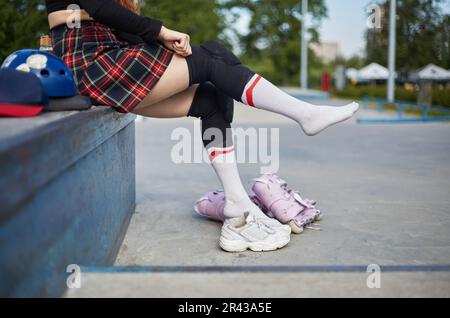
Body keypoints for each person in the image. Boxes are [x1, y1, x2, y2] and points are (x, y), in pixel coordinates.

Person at [45, 0, 359, 252]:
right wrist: (161, 32)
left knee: (213, 95)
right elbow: (99, 7)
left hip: (113, 66)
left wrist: (164, 44)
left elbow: (122, 29)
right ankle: (306, 115)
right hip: (94, 66)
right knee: (212, 58)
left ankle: (237, 206)